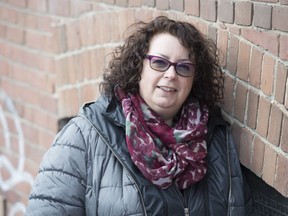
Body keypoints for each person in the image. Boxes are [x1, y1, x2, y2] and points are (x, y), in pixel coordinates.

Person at [25, 16, 253, 216]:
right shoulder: (85, 135)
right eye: (160, 63)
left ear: (194, 78)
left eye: (184, 67)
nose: (171, 74)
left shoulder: (215, 138)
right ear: (138, 67)